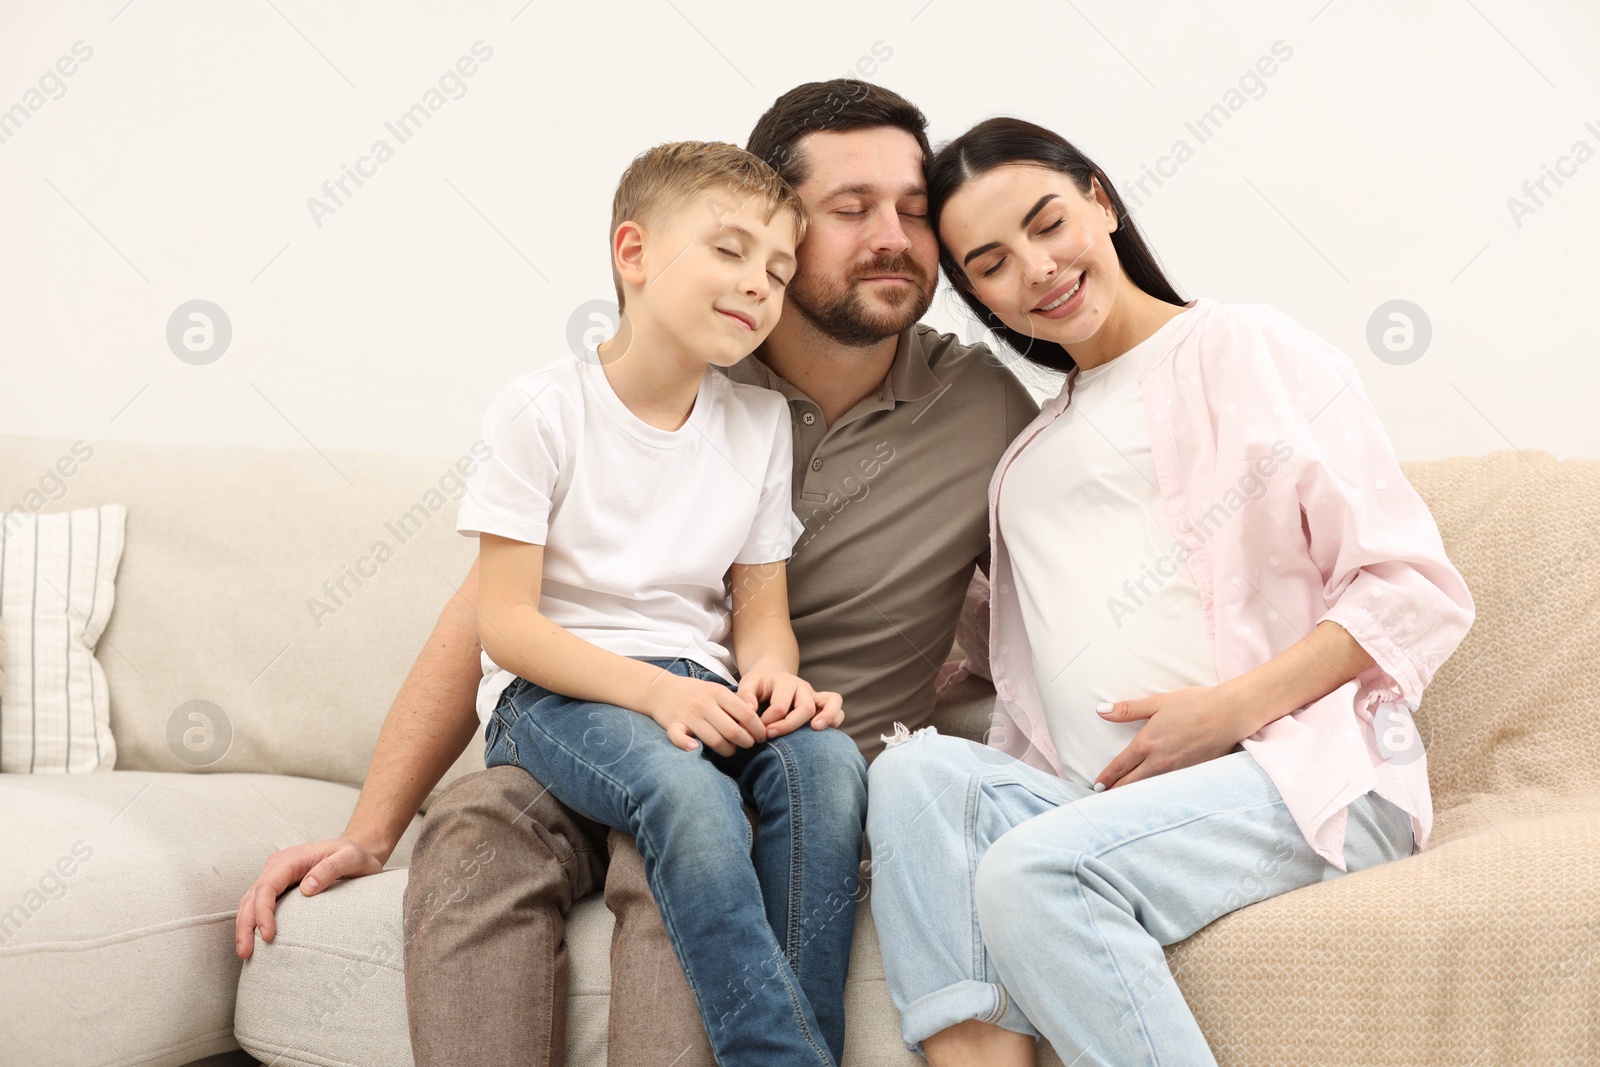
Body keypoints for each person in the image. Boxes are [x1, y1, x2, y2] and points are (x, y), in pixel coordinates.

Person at [232, 82, 1041, 1067]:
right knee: (475, 826)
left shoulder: (979, 403)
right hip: (582, 724)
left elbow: (1054, 587)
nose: (896, 237)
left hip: (760, 754)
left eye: (915, 211)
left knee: (695, 845)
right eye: (851, 208)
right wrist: (367, 830)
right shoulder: (687, 367)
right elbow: (488, 615)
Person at [864, 116, 1477, 1067]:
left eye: (1047, 222)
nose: (1035, 268)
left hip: (1295, 775)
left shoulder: (1241, 347)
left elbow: (1413, 586)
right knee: (909, 772)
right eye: (989, 263)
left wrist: (1225, 712)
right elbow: (1006, 653)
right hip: (1096, 801)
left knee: (1035, 870)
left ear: (1100, 201)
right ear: (975, 294)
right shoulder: (1024, 456)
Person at [460, 138, 869, 1066]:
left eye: (777, 268)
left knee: (829, 765)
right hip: (556, 695)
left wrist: (774, 686)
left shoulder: (759, 425)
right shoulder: (537, 410)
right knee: (687, 791)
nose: (759, 285)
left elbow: (762, 615)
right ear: (633, 254)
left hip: (701, 688)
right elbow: (506, 624)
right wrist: (655, 695)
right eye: (729, 251)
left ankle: (798, 1044)